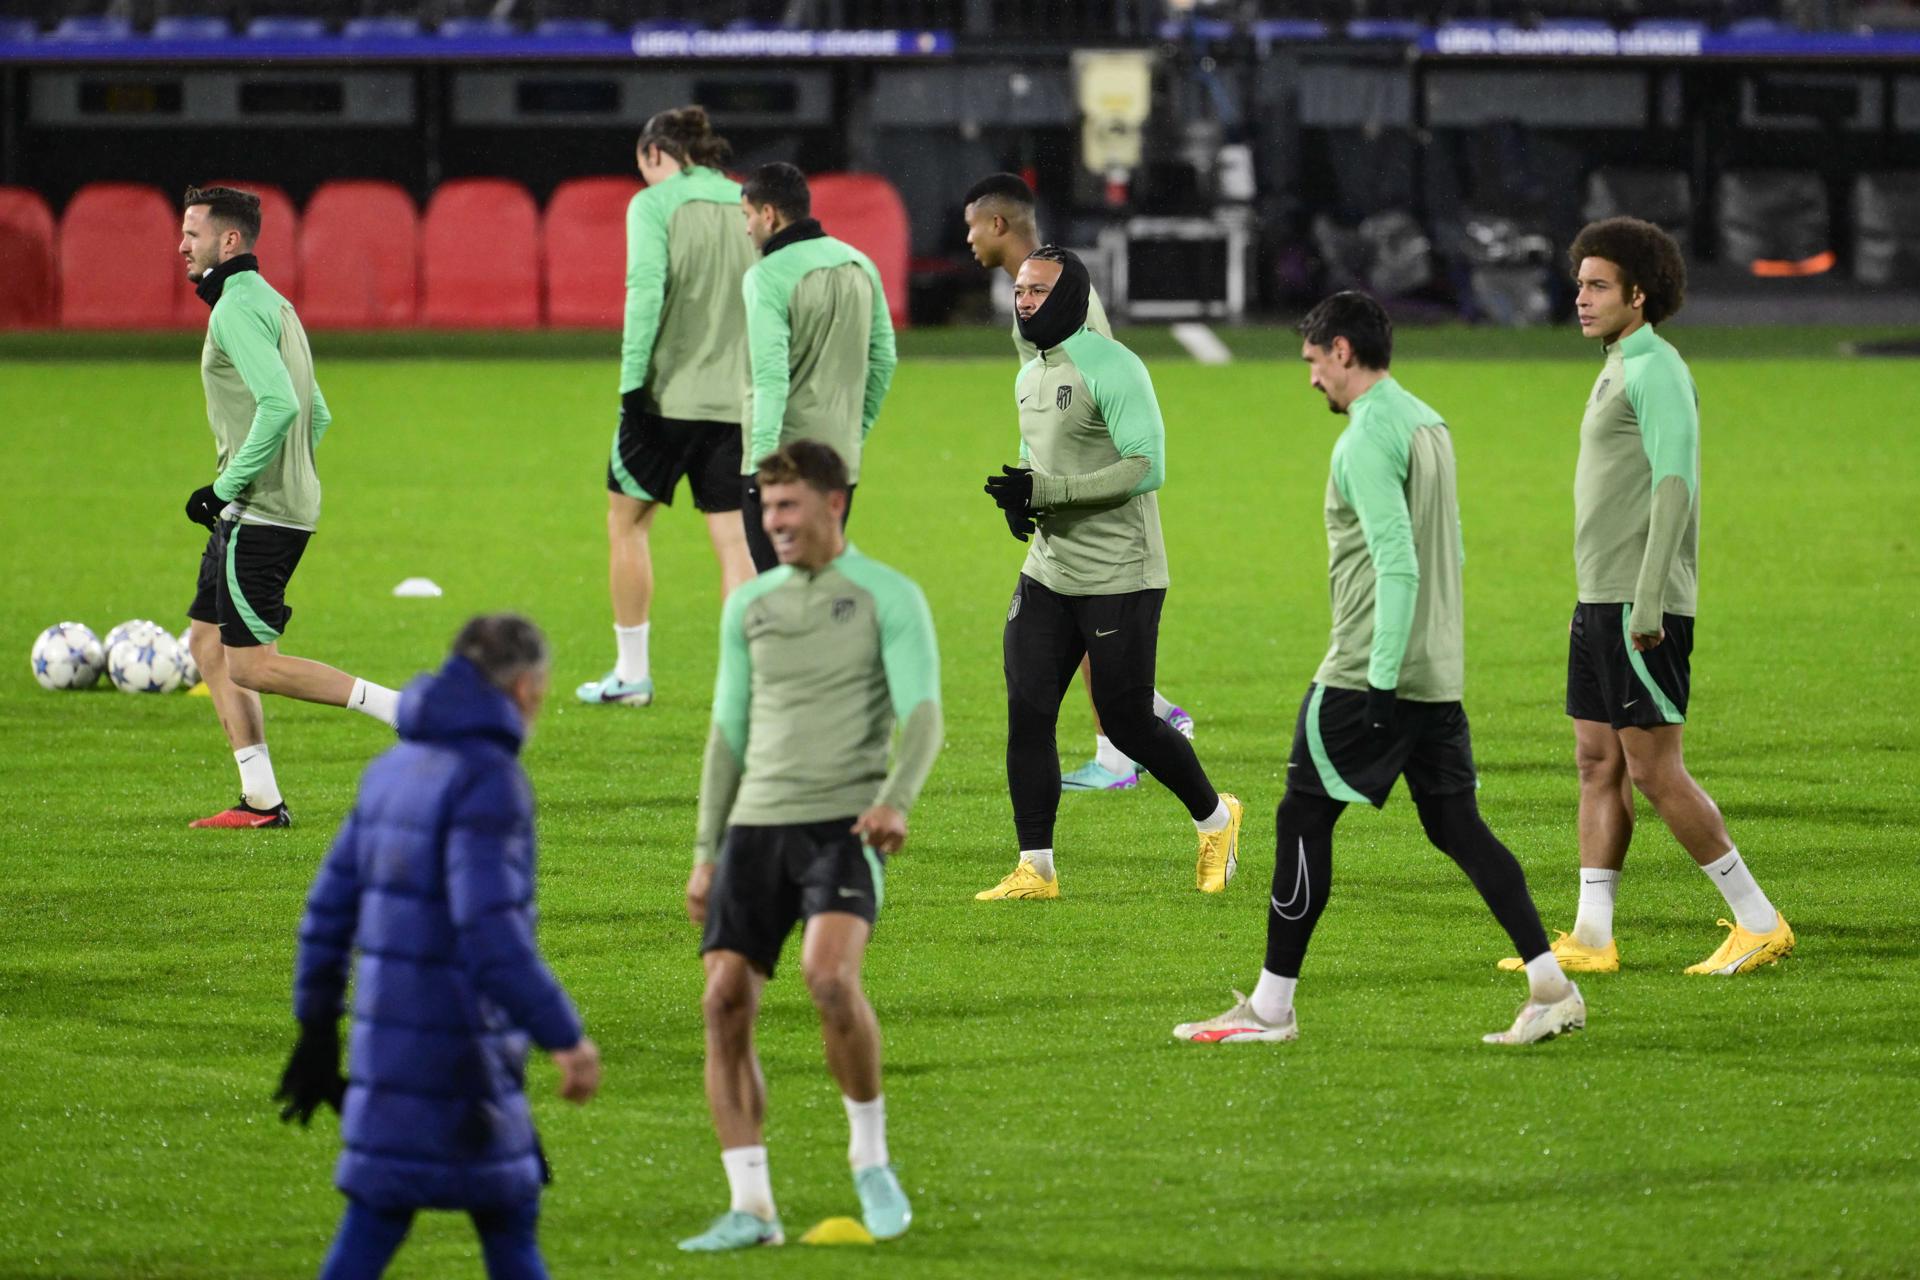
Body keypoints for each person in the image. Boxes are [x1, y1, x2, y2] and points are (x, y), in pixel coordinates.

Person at [1173, 291, 1585, 1048]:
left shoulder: (1364, 440)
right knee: (1457, 825)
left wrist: (1382, 681)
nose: (1310, 381)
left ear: (1341, 351)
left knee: (1302, 817)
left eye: (1312, 362)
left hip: (1371, 669)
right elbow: (1450, 551)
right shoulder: (1428, 423)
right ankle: (1550, 985)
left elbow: (1398, 563)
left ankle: (1270, 1009)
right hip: (1439, 670)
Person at [1498, 217, 1793, 977]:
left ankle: (1759, 921)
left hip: (1640, 602)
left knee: (1655, 770)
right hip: (1601, 597)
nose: (1581, 298)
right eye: (1579, 284)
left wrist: (1651, 598)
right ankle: (1593, 937)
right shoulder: (1620, 361)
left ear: (1639, 292)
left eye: (1598, 285)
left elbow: (1675, 481)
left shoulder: (1655, 366)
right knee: (1596, 762)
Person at [280, 613, 602, 1279]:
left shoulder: (392, 769)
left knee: (376, 1223)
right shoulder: (490, 781)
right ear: (525, 689)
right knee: (510, 1222)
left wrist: (316, 1030)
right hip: (465, 1057)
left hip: (386, 1055)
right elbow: (491, 932)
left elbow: (327, 913)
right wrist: (565, 1037)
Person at [682, 441, 941, 1251]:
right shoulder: (749, 605)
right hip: (755, 824)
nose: (774, 523)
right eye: (766, 509)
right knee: (723, 1000)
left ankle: (871, 1160)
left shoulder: (886, 596)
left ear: (835, 503)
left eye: (788, 506)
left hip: (843, 825)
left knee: (828, 978)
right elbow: (727, 733)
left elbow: (924, 715)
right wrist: (704, 848)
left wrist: (896, 801)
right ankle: (750, 1205)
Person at [975, 246, 1241, 902]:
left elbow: (1145, 465)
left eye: (1038, 290)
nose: (1025, 299)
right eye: (1021, 289)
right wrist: (1022, 498)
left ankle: (1217, 819)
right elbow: (1037, 455)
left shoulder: (1112, 365)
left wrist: (1053, 492)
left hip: (1122, 574)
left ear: (1071, 297)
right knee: (1028, 711)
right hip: (1050, 570)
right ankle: (1035, 867)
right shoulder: (1029, 374)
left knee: (1126, 722)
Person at [176, 184, 401, 829]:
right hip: (263, 506)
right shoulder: (275, 303)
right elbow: (318, 412)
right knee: (207, 644)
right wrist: (287, 474)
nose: (181, 246)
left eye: (192, 234)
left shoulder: (235, 312)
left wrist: (231, 488)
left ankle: (402, 711)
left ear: (228, 240)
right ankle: (261, 800)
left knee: (251, 663)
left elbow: (282, 406)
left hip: (257, 513)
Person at [962, 172, 1194, 792]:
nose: (966, 239)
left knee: (1088, 615)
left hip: (1102, 516)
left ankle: (1129, 743)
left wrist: (1060, 487)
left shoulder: (1066, 300)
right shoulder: (1035, 295)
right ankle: (1129, 732)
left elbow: (1100, 399)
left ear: (999, 224)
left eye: (971, 225)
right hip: (1058, 506)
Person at [578, 106, 758, 708]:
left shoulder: (653, 205)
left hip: (663, 399)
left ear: (656, 153)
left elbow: (645, 292)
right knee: (734, 541)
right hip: (738, 401)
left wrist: (632, 387)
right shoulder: (745, 202)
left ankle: (631, 675)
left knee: (626, 523)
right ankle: (743, 686)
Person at [737, 162, 897, 572]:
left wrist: (762, 469)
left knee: (779, 591)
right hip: (839, 459)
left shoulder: (766, 277)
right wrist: (853, 431)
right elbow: (884, 360)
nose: (747, 228)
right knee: (819, 581)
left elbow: (771, 379)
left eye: (747, 215)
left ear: (769, 214)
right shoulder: (860, 264)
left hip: (782, 461)